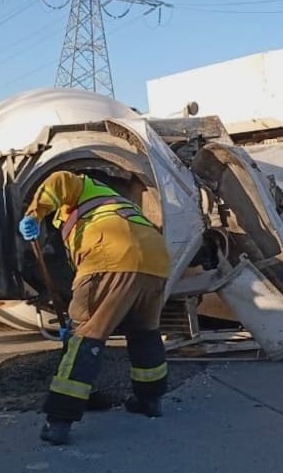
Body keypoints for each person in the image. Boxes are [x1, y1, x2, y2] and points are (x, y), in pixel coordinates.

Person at [19, 170, 170, 446]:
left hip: (113, 252)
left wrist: (34, 213)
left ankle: (59, 420)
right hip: (156, 259)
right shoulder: (114, 204)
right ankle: (150, 400)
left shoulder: (81, 185)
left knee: (85, 337)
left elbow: (59, 179)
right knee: (144, 333)